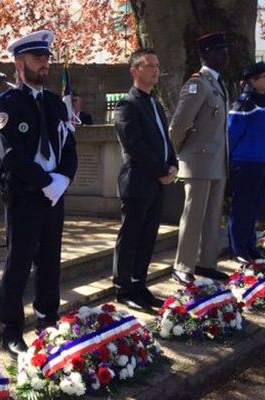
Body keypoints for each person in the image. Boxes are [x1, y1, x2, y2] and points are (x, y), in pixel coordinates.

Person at [0, 30, 77, 359]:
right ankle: (11, 329)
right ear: (19, 63)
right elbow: (10, 153)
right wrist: (44, 181)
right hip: (25, 194)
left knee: (50, 260)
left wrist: (62, 180)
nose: (44, 65)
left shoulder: (56, 102)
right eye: (37, 59)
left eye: (46, 59)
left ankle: (47, 318)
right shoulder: (8, 103)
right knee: (19, 262)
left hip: (54, 194)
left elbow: (70, 146)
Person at [112, 49, 178, 311]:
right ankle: (123, 287)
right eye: (149, 65)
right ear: (134, 70)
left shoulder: (155, 103)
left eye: (157, 65)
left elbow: (164, 139)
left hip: (156, 182)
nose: (155, 70)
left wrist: (172, 164)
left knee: (148, 236)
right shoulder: (127, 105)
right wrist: (161, 169)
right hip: (138, 182)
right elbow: (134, 145)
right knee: (131, 237)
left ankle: (139, 284)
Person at [169, 32, 230, 284]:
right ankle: (183, 265)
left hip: (217, 162)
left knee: (213, 216)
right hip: (198, 162)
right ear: (207, 54)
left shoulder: (219, 84)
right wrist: (182, 154)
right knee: (193, 217)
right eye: (220, 50)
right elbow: (177, 127)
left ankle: (206, 263)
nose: (226, 55)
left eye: (226, 50)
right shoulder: (197, 84)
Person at [227, 61, 265, 262]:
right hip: (244, 162)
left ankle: (251, 245)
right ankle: (238, 248)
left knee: (255, 206)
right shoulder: (245, 103)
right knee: (242, 206)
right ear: (254, 80)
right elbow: (232, 134)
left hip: (261, 162)